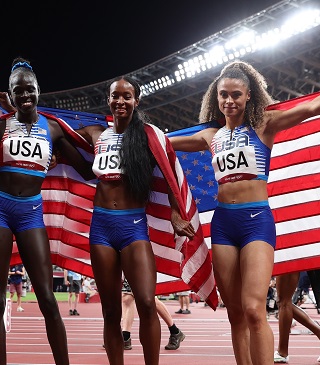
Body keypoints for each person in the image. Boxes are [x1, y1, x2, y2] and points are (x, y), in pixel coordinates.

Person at [169, 58, 320, 365]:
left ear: (248, 97)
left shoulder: (264, 125)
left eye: (236, 95)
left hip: (256, 221)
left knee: (255, 309)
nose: (229, 100)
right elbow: (161, 145)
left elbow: (312, 109)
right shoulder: (209, 137)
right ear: (215, 98)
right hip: (223, 224)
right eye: (224, 95)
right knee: (235, 314)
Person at [75, 76, 195, 365]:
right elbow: (57, 131)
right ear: (108, 99)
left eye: (127, 97)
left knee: (144, 301)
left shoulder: (148, 137)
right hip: (101, 227)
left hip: (133, 227)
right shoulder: (95, 134)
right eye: (115, 96)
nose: (120, 101)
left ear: (136, 101)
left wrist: (177, 212)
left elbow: (168, 172)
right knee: (111, 311)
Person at [0, 58, 94, 365]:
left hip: (30, 212)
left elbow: (86, 170)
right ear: (11, 94)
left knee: (47, 296)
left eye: (29, 88)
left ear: (38, 90)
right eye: (18, 91)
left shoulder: (55, 129)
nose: (25, 95)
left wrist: (103, 137)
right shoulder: (0, 126)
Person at [274, 272, 320, 364]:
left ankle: (282, 353)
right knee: (283, 302)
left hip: (289, 259)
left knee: (284, 302)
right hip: (287, 259)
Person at [121, 279, 186, 351]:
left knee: (149, 298)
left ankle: (175, 331)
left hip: (144, 269)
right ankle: (125, 336)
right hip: (129, 269)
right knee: (127, 297)